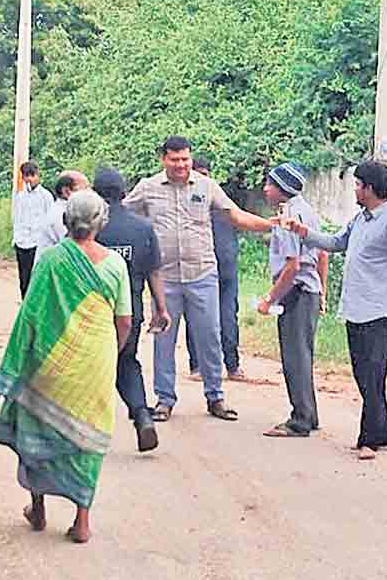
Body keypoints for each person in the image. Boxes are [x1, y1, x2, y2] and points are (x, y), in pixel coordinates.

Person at [0, 190, 166, 544]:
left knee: (36, 424)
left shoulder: (51, 262)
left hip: (48, 361)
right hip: (96, 362)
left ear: (66, 221)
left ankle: (37, 507)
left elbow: (30, 315)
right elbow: (124, 321)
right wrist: (109, 353)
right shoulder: (115, 265)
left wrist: (14, 365)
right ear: (101, 222)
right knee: (89, 433)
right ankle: (82, 521)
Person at [124, 136, 275, 423]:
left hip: (202, 275)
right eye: (175, 159)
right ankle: (164, 400)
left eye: (185, 159)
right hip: (163, 278)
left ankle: (215, 397)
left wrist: (271, 225)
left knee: (209, 337)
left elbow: (236, 216)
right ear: (163, 159)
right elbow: (120, 215)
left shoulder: (207, 187)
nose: (181, 165)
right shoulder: (148, 188)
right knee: (163, 339)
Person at [286, 160, 387, 461]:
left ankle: (368, 439)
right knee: (363, 375)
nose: (354, 190)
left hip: (379, 311)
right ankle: (382, 431)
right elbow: (335, 243)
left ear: (370, 189)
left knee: (373, 376)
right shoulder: (360, 218)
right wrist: (303, 231)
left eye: (358, 184)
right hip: (355, 308)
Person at [92, 168, 167, 453]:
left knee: (89, 368)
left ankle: (84, 431)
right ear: (124, 192)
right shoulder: (143, 228)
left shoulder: (88, 227)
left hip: (91, 312)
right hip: (129, 311)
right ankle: (142, 415)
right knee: (127, 362)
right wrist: (161, 308)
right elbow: (154, 272)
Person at [257, 163, 328, 437]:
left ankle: (299, 419)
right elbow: (322, 254)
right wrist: (321, 290)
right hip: (309, 291)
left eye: (270, 184)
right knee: (304, 354)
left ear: (283, 189)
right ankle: (310, 414)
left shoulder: (289, 217)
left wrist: (269, 298)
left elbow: (292, 267)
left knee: (294, 357)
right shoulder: (308, 212)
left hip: (295, 292)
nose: (265, 189)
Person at [184, 158, 244, 381]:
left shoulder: (188, 203)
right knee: (228, 313)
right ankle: (233, 366)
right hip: (226, 263)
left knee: (197, 315)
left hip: (202, 266)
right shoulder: (222, 201)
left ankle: (198, 366)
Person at [11, 161, 53, 298]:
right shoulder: (20, 197)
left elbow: (50, 220)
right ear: (22, 178)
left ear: (38, 175)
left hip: (38, 244)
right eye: (26, 176)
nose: (30, 179)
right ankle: (25, 308)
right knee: (24, 279)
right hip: (22, 242)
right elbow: (17, 218)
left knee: (38, 279)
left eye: (32, 175)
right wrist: (16, 239)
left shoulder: (46, 196)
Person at [35, 170, 89, 256]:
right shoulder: (58, 215)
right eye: (85, 189)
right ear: (67, 191)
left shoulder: (66, 210)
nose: (88, 193)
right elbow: (71, 247)